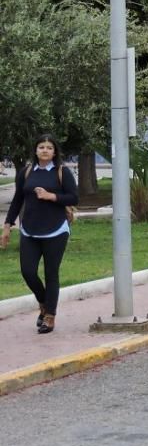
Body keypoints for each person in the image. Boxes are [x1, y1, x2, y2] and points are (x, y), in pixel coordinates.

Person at [1, 134, 78, 334]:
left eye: (49, 147)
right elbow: (18, 200)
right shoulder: (26, 172)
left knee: (51, 273)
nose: (45, 150)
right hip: (29, 230)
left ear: (54, 152)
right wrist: (8, 225)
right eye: (41, 147)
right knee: (28, 272)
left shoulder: (62, 172)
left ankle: (49, 316)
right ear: (36, 150)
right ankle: (44, 303)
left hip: (56, 230)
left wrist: (51, 196)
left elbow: (73, 197)